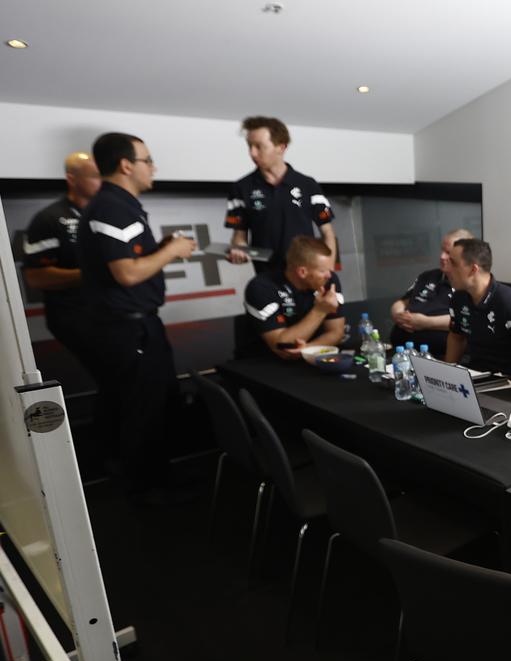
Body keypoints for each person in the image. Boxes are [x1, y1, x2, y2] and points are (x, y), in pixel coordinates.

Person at [80, 132, 197, 499]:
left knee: (145, 404)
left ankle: (146, 480)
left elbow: (129, 262)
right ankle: (147, 490)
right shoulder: (113, 207)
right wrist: (173, 250)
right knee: (143, 409)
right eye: (148, 160)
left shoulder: (120, 206)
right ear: (126, 165)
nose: (153, 167)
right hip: (127, 330)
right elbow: (127, 273)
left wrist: (160, 249)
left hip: (133, 325)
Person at [224, 116, 337, 274]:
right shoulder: (241, 188)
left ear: (281, 147)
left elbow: (327, 232)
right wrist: (239, 249)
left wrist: (328, 270)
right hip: (267, 279)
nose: (252, 153)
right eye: (249, 146)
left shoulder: (308, 185)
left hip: (306, 278)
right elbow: (239, 235)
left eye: (259, 146)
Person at [22, 151, 101, 369]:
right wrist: (96, 275)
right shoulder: (49, 218)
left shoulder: (106, 214)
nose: (102, 182)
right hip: (75, 316)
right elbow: (36, 278)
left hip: (111, 311)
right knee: (114, 375)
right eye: (95, 176)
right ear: (72, 178)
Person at [242, 235, 345, 360]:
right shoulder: (262, 287)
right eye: (323, 271)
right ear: (302, 272)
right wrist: (320, 311)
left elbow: (336, 332)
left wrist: (307, 349)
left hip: (311, 358)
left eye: (330, 270)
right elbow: (282, 348)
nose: (329, 275)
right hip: (264, 363)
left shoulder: (329, 280)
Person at [443, 237, 511, 376]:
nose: (446, 268)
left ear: (473, 269)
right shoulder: (458, 297)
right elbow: (456, 337)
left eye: (453, 263)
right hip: (473, 374)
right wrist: (446, 375)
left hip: (507, 382)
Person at [389, 227, 474, 352]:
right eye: (442, 250)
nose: (442, 256)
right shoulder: (427, 276)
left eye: (448, 252)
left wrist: (425, 322)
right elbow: (402, 302)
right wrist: (399, 315)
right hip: (401, 352)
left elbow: (467, 320)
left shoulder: (467, 284)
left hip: (438, 355)